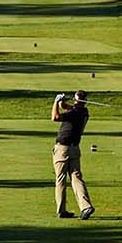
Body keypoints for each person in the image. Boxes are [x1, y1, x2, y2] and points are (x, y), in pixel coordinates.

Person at [51, 90, 94, 220]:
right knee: (76, 177)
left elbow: (55, 117)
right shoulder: (83, 112)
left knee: (60, 179)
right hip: (75, 148)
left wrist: (55, 101)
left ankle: (61, 210)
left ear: (77, 100)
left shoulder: (74, 113)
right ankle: (86, 207)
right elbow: (65, 107)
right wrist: (62, 101)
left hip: (63, 149)